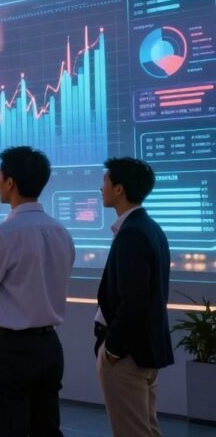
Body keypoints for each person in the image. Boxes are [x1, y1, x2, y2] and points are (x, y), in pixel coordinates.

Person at [0, 146, 75, 436]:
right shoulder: (61, 231)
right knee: (47, 429)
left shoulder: (3, 234)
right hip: (50, 346)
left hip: (10, 351)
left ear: (10, 182)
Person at [95, 157, 174, 436]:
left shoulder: (132, 233)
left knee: (132, 431)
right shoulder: (149, 228)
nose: (101, 187)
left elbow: (134, 300)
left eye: (105, 181)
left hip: (128, 354)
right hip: (144, 350)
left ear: (119, 189)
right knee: (146, 428)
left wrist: (113, 349)